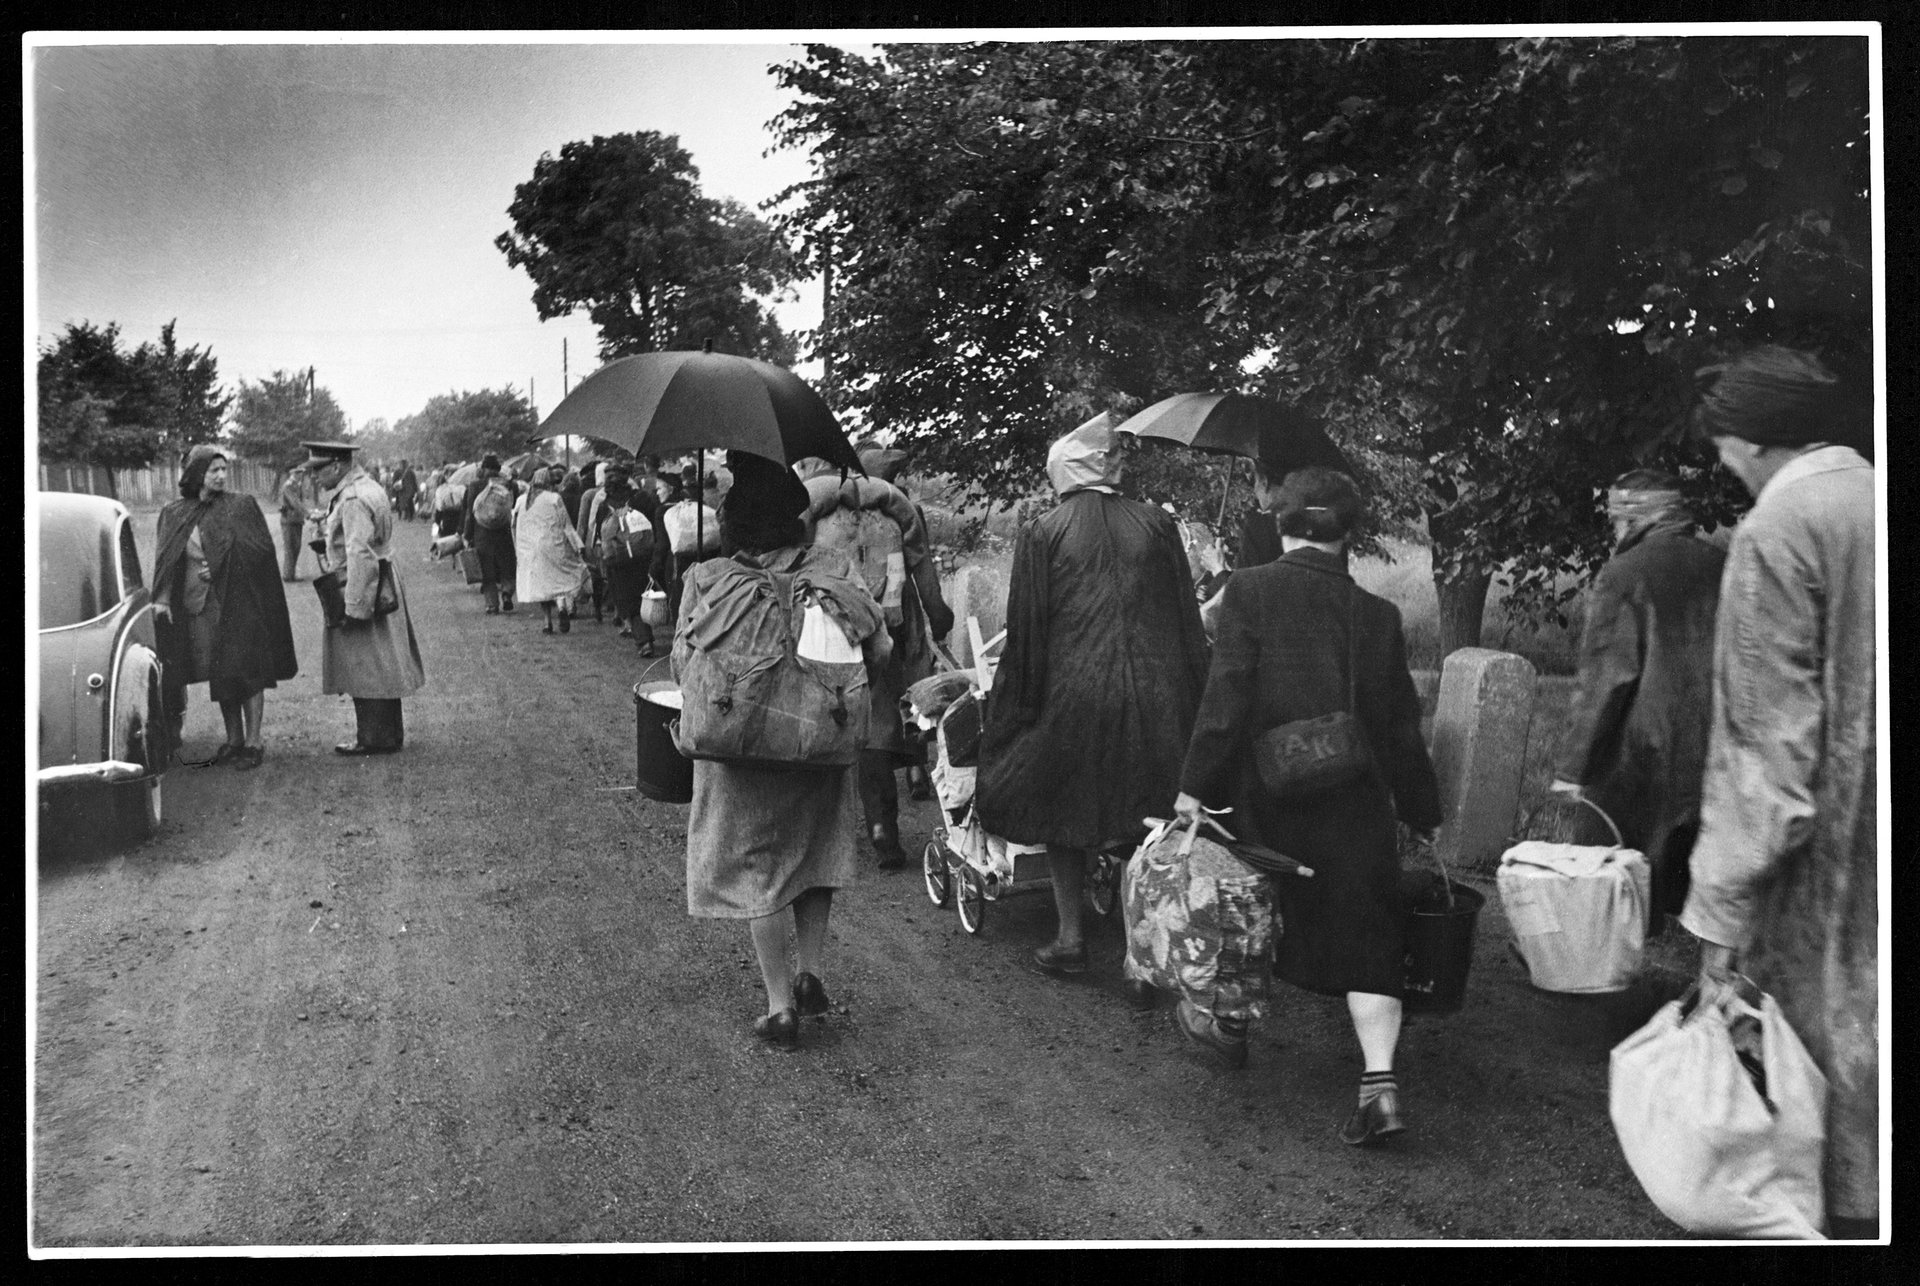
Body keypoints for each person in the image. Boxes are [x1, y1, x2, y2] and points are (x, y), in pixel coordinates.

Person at [1175, 466, 1443, 1144]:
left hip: (1266, 795)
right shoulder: (1379, 617)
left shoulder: (1250, 592)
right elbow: (1396, 726)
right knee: (1369, 928)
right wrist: (1420, 808)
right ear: (1351, 533)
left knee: (1252, 906)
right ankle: (1380, 1087)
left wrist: (1193, 786)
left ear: (1280, 524)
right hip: (1355, 802)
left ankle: (1230, 1028)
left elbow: (1226, 697)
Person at [1680, 346, 1878, 1240]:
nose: (1722, 463)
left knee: (1815, 1095)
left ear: (1750, 441)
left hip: (1830, 867)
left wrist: (1718, 916)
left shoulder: (1780, 528)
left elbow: (1767, 755)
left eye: (1722, 445)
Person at [977, 414, 1210, 975]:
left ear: (1066, 470)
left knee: (1064, 812)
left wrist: (1016, 707)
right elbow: (1185, 619)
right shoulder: (1156, 524)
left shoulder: (1045, 529)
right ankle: (1140, 953)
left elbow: (1027, 629)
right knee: (1145, 816)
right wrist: (1195, 696)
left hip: (1072, 698)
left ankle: (1070, 939)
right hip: (1154, 699)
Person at [678, 452, 891, 1047]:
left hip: (741, 749)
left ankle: (778, 1008)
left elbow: (683, 666)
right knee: (813, 856)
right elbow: (878, 649)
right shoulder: (832, 571)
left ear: (734, 521)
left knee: (757, 872)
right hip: (821, 741)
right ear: (796, 517)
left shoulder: (709, 578)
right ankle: (810, 976)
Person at [1548, 469, 1725, 924]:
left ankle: (1592, 972)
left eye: (1615, 520)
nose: (1613, 530)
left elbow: (1606, 677)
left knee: (1605, 888)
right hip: (1715, 750)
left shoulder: (1625, 573)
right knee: (1695, 890)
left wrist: (1573, 769)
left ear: (1635, 519)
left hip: (1639, 751)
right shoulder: (1724, 565)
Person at [798, 449, 956, 868]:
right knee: (879, 731)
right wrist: (938, 617)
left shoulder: (818, 517)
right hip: (882, 635)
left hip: (824, 637)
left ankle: (817, 836)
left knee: (817, 727)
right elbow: (924, 579)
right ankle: (883, 827)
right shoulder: (894, 517)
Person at [151, 444, 300, 769]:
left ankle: (254, 741)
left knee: (247, 670)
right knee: (221, 671)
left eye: (224, 469)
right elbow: (166, 558)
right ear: (196, 475)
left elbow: (260, 551)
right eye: (213, 470)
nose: (221, 475)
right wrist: (162, 599)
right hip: (201, 608)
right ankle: (233, 739)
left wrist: (220, 564)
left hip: (239, 604)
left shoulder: (241, 507)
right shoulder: (176, 513)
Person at [303, 440, 427, 754]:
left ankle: (372, 738)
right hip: (380, 579)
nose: (316, 478)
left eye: (318, 470)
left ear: (335, 465)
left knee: (366, 664)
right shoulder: (368, 487)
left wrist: (355, 606)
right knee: (383, 662)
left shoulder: (352, 498)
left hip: (362, 583)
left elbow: (360, 553)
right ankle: (388, 734)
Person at [514, 467, 589, 634]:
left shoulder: (522, 500)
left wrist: (518, 549)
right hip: (554, 546)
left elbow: (514, 525)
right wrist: (578, 546)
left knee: (542, 586)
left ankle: (547, 622)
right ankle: (562, 607)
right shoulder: (554, 498)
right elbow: (566, 525)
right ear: (548, 482)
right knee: (558, 579)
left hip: (531, 550)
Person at [461, 454, 520, 615]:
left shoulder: (474, 486)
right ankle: (507, 593)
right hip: (504, 532)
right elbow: (513, 509)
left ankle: (491, 605)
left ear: (483, 468)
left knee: (487, 571)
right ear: (498, 469)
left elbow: (470, 513)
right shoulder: (510, 485)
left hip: (482, 533)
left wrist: (467, 534)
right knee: (507, 566)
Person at [275, 465, 313, 582]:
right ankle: (288, 575)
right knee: (290, 547)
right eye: (297, 473)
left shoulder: (297, 485)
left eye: (301, 473)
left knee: (296, 547)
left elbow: (301, 501)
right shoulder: (289, 486)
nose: (300, 475)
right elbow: (295, 502)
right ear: (292, 474)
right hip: (289, 520)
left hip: (296, 520)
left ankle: (290, 574)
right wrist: (308, 514)